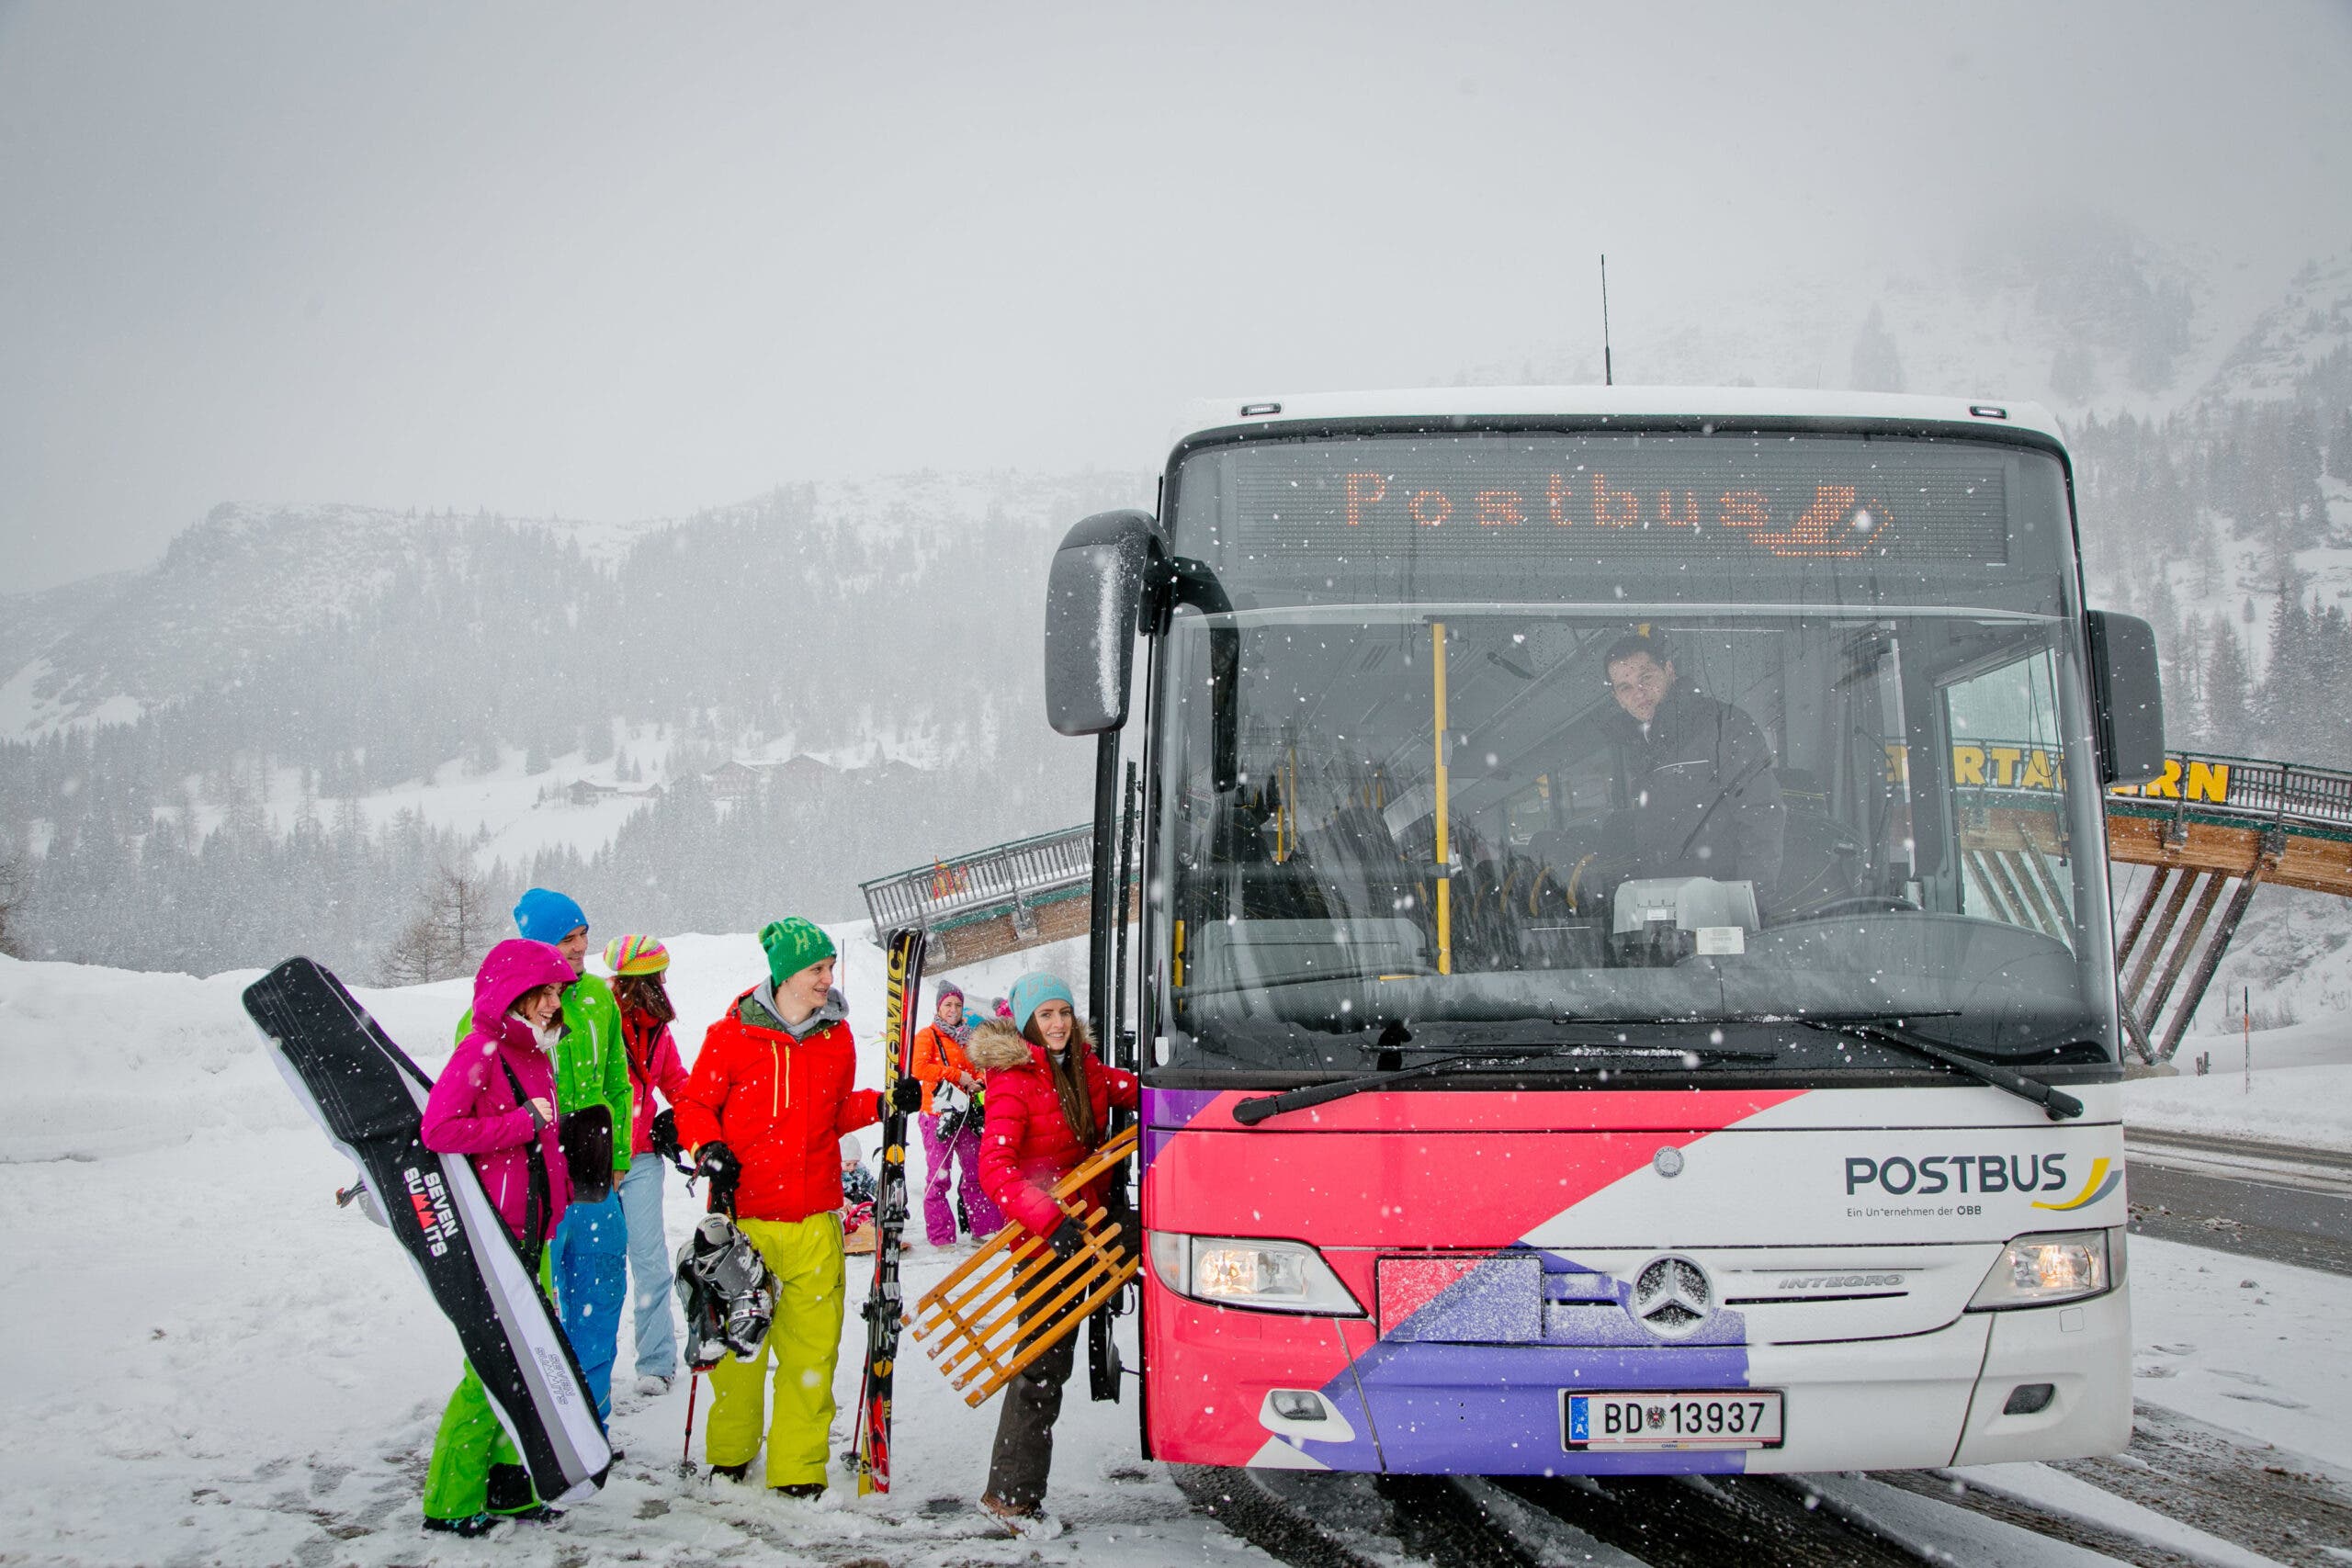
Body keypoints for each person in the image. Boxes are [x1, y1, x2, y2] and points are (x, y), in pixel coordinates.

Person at [672, 917, 924, 1497]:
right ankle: (731, 1455)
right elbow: (694, 1106)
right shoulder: (730, 1036)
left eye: (830, 967)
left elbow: (834, 1113)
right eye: (817, 969)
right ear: (786, 973)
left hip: (815, 1220)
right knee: (740, 1351)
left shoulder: (835, 1038)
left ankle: (798, 1469)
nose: (827, 979)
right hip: (745, 1224)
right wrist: (705, 1147)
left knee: (813, 1352)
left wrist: (883, 1103)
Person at [967, 972, 1139, 1539]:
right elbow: (995, 1169)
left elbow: (1130, 1089)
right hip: (1047, 1242)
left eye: (1064, 1011)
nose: (1059, 1023)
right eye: (1046, 1015)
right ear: (1027, 1023)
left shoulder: (1082, 1068)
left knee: (1052, 1365)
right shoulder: (1013, 1080)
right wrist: (1047, 1219)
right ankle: (1010, 1498)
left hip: (1087, 1229)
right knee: (1040, 1367)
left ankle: (1015, 1492)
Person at [417, 939, 580, 1537]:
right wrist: (522, 1121)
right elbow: (439, 1128)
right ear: (514, 993)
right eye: (544, 992)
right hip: (495, 1238)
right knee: (489, 1368)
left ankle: (511, 1486)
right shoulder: (479, 1051)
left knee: (529, 1365)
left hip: (532, 1236)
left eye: (558, 993)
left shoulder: (536, 1053)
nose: (552, 1003)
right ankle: (449, 1498)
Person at [457, 889, 633, 1421]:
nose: (581, 948)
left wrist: (619, 1157)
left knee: (600, 1302)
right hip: (533, 1186)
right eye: (567, 939)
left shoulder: (600, 1000)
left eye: (583, 935)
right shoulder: (488, 1017)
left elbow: (617, 1085)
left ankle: (591, 1423)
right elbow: (464, 1112)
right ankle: (542, 1434)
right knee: (538, 1315)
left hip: (596, 1179)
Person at [1595, 631, 1785, 905]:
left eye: (1646, 677)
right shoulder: (1635, 748)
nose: (1639, 693)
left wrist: (1750, 909)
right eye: (1625, 687)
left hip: (1721, 911)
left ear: (1669, 671)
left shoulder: (1722, 726)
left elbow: (1762, 816)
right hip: (1672, 914)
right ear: (1617, 698)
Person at [605, 933, 693, 1397]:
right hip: (594, 1164)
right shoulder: (599, 1020)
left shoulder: (658, 1028)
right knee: (596, 1269)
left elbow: (677, 1081)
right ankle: (581, 1365)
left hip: (640, 1161)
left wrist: (691, 1119)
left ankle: (656, 1363)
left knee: (651, 1263)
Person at [910, 980, 1002, 1247]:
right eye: (948, 1004)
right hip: (937, 1113)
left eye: (957, 1005)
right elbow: (919, 1068)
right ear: (939, 1007)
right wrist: (957, 1075)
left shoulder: (968, 1038)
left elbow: (980, 1069)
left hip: (965, 1113)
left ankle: (984, 1229)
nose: (953, 1009)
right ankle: (942, 1237)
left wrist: (979, 1081)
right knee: (939, 1176)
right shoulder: (927, 1035)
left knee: (975, 1173)